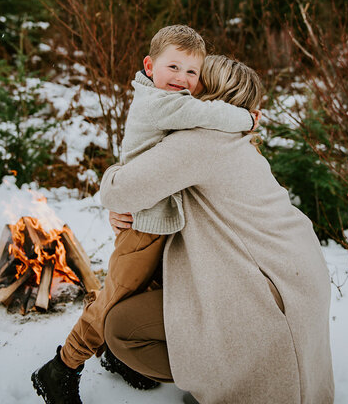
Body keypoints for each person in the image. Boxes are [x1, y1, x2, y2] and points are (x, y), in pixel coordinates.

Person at [31, 27, 258, 404]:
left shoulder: (168, 101)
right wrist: (247, 120)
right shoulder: (160, 102)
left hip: (156, 225)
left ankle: (122, 359)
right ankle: (61, 368)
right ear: (149, 66)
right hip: (141, 229)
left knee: (136, 298)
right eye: (173, 66)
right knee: (112, 302)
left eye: (192, 72)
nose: (182, 79)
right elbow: (203, 114)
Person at [101, 55, 335, 404]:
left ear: (208, 92)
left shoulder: (203, 140)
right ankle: (228, 369)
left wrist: (117, 188)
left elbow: (118, 190)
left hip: (264, 296)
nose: (185, 83)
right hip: (298, 280)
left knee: (121, 330)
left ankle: (226, 382)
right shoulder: (236, 136)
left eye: (196, 77)